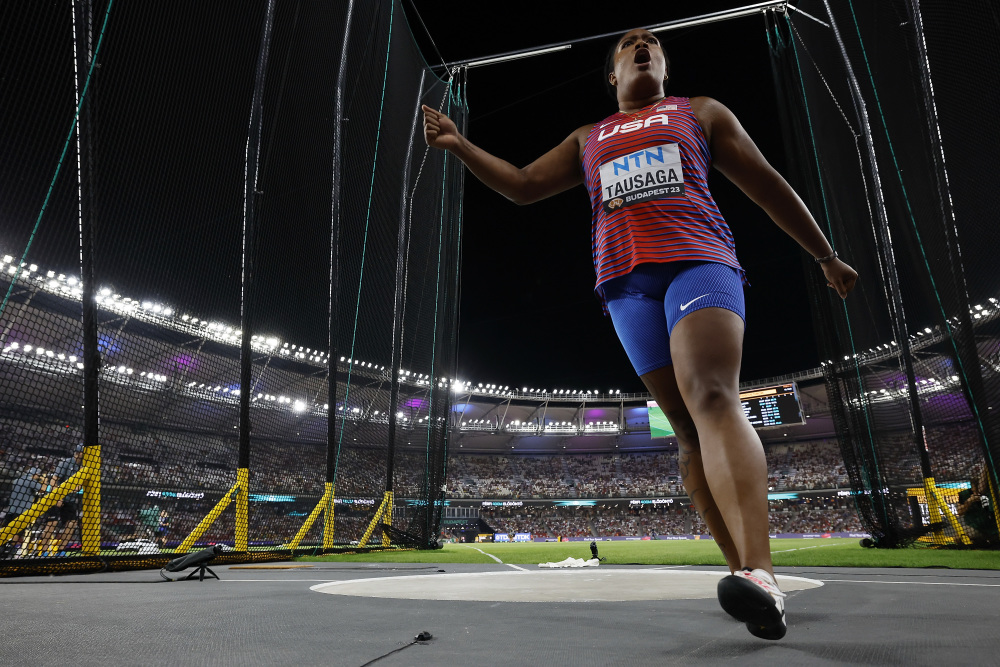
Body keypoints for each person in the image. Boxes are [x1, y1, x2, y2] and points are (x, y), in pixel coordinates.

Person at [422, 28, 857, 640]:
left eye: (654, 41)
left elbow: (765, 185)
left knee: (709, 393)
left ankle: (763, 571)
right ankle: (745, 582)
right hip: (624, 287)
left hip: (696, 262)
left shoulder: (699, 113)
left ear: (665, 67)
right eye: (631, 42)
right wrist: (459, 144)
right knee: (684, 431)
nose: (643, 43)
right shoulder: (587, 137)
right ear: (613, 72)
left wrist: (825, 255)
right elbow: (521, 186)